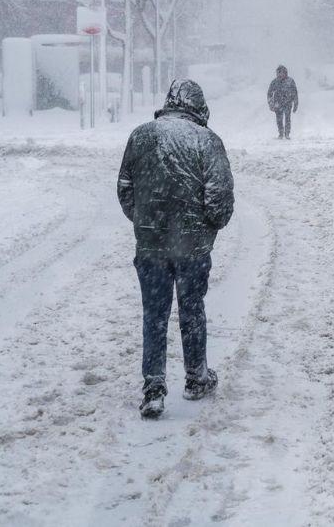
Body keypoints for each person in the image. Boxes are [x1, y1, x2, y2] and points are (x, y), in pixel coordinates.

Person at [117, 79, 235, 419]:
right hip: (191, 248)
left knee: (154, 315)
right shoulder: (207, 141)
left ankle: (153, 389)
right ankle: (196, 377)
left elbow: (125, 188)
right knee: (191, 310)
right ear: (199, 107)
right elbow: (220, 200)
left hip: (150, 246)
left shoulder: (141, 136)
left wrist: (146, 222)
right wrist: (205, 227)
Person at [267, 64, 299, 139]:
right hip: (277, 103)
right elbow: (269, 93)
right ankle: (281, 133)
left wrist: (296, 104)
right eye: (278, 73)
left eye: (281, 72)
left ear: (285, 73)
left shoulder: (290, 81)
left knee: (287, 119)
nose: (279, 74)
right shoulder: (274, 82)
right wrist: (271, 104)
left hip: (288, 103)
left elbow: (295, 93)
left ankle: (287, 133)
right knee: (279, 120)